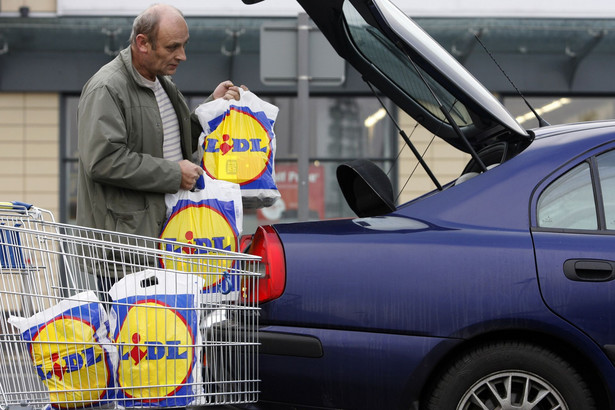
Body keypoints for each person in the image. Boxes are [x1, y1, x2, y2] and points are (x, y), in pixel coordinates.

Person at [76, 3, 246, 241]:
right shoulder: (106, 88)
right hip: (127, 245)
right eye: (172, 47)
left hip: (166, 236)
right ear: (143, 43)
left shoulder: (162, 83)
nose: (182, 56)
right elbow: (104, 161)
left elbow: (175, 140)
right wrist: (175, 174)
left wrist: (213, 105)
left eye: (184, 45)